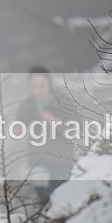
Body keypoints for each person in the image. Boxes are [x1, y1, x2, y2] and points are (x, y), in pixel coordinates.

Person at [16, 66, 74, 202]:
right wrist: (18, 127)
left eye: (42, 85)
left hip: (61, 159)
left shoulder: (63, 102)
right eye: (34, 86)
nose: (38, 90)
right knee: (42, 198)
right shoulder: (28, 105)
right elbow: (20, 123)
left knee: (61, 196)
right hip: (37, 160)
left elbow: (75, 128)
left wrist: (55, 121)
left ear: (49, 84)